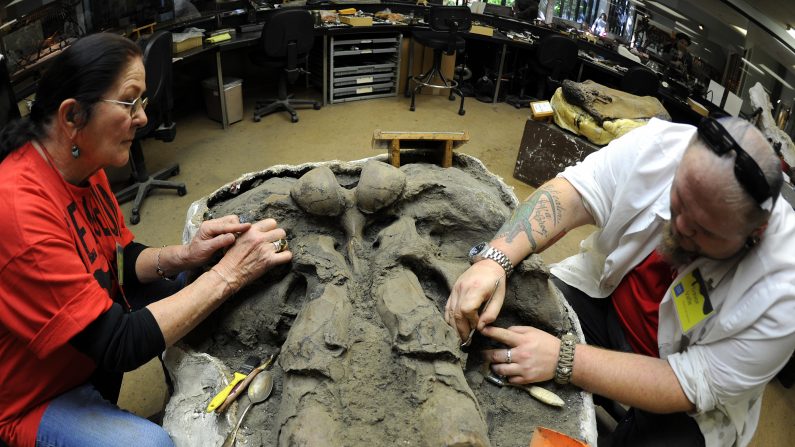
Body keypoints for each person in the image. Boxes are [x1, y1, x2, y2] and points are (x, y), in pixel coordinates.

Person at [0, 33, 293, 447]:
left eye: (143, 102)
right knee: (151, 444)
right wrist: (229, 274)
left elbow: (116, 259)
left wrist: (184, 255)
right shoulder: (18, 210)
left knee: (192, 278)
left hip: (87, 351)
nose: (142, 118)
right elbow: (117, 343)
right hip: (33, 396)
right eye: (129, 102)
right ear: (72, 118)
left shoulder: (85, 165)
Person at [446, 117, 795, 446]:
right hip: (605, 301)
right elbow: (571, 195)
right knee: (508, 307)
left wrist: (565, 359)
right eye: (680, 201)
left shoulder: (783, 292)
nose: (681, 226)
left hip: (685, 387)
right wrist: (494, 260)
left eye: (705, 229)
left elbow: (688, 383)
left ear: (756, 232)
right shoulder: (660, 146)